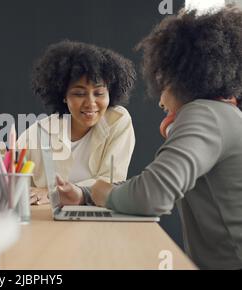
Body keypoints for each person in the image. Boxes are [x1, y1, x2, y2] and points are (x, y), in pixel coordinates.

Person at [56, 6, 242, 269]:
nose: (160, 100)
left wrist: (104, 193)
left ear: (180, 78)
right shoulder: (223, 114)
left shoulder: (204, 114)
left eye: (162, 82)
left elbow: (152, 196)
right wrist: (86, 194)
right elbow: (151, 185)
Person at [17, 40, 136, 205]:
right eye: (79, 94)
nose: (91, 103)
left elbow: (111, 182)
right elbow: (14, 184)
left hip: (98, 221)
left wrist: (53, 193)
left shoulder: (118, 121)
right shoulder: (36, 134)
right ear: (63, 96)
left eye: (99, 93)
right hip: (50, 222)